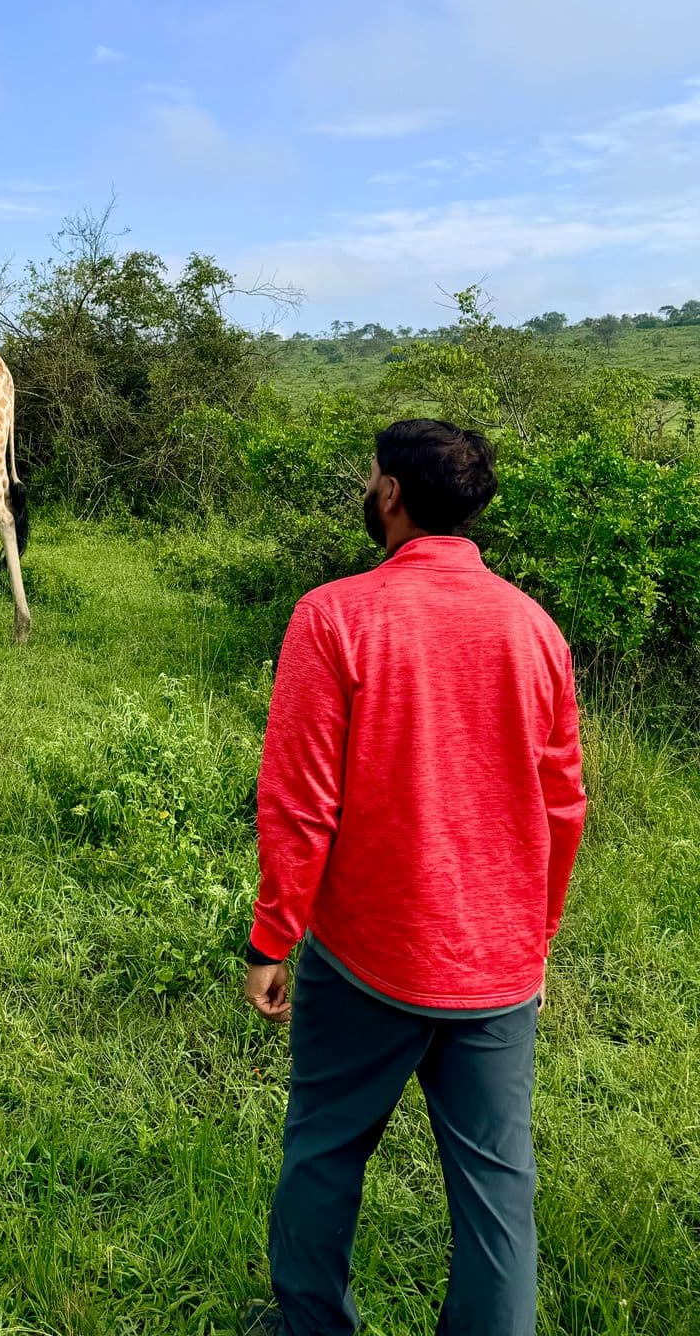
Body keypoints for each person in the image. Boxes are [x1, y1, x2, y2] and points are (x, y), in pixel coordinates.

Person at [240, 418, 587, 1336]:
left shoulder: (334, 616)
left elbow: (301, 803)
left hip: (368, 956)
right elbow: (564, 807)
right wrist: (535, 940)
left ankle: (310, 1326)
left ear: (391, 494)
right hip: (500, 971)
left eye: (370, 478)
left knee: (325, 1147)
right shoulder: (535, 628)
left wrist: (272, 937)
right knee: (498, 1190)